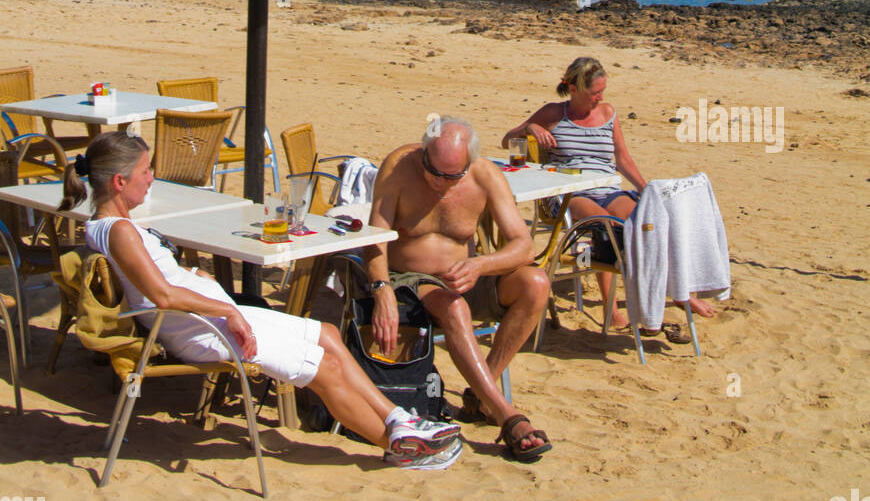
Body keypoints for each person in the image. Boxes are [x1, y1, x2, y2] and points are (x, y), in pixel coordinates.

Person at [59, 132, 461, 470]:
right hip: (200, 330)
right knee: (325, 368)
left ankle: (399, 420)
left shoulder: (110, 227)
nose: (151, 178)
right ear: (118, 182)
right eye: (145, 171)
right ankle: (400, 450)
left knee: (326, 334)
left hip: (206, 316)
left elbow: (161, 280)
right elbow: (161, 295)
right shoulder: (120, 232)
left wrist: (198, 278)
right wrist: (226, 310)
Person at [367, 115, 552, 462]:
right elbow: (375, 239)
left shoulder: (485, 176)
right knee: (455, 307)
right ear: (423, 152)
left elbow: (524, 245)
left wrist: (480, 264)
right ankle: (507, 415)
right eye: (431, 170)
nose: (438, 182)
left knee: (536, 284)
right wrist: (381, 289)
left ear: (468, 163)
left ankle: (481, 394)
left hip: (465, 276)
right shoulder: (399, 167)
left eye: (450, 176)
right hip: (411, 280)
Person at [502, 56, 715, 330]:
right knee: (606, 228)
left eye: (602, 91)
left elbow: (623, 159)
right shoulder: (553, 113)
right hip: (570, 192)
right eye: (594, 93)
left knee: (651, 223)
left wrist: (647, 190)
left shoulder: (608, 113)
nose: (599, 97)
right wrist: (530, 127)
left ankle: (681, 293)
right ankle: (610, 309)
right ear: (574, 89)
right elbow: (507, 140)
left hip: (608, 188)